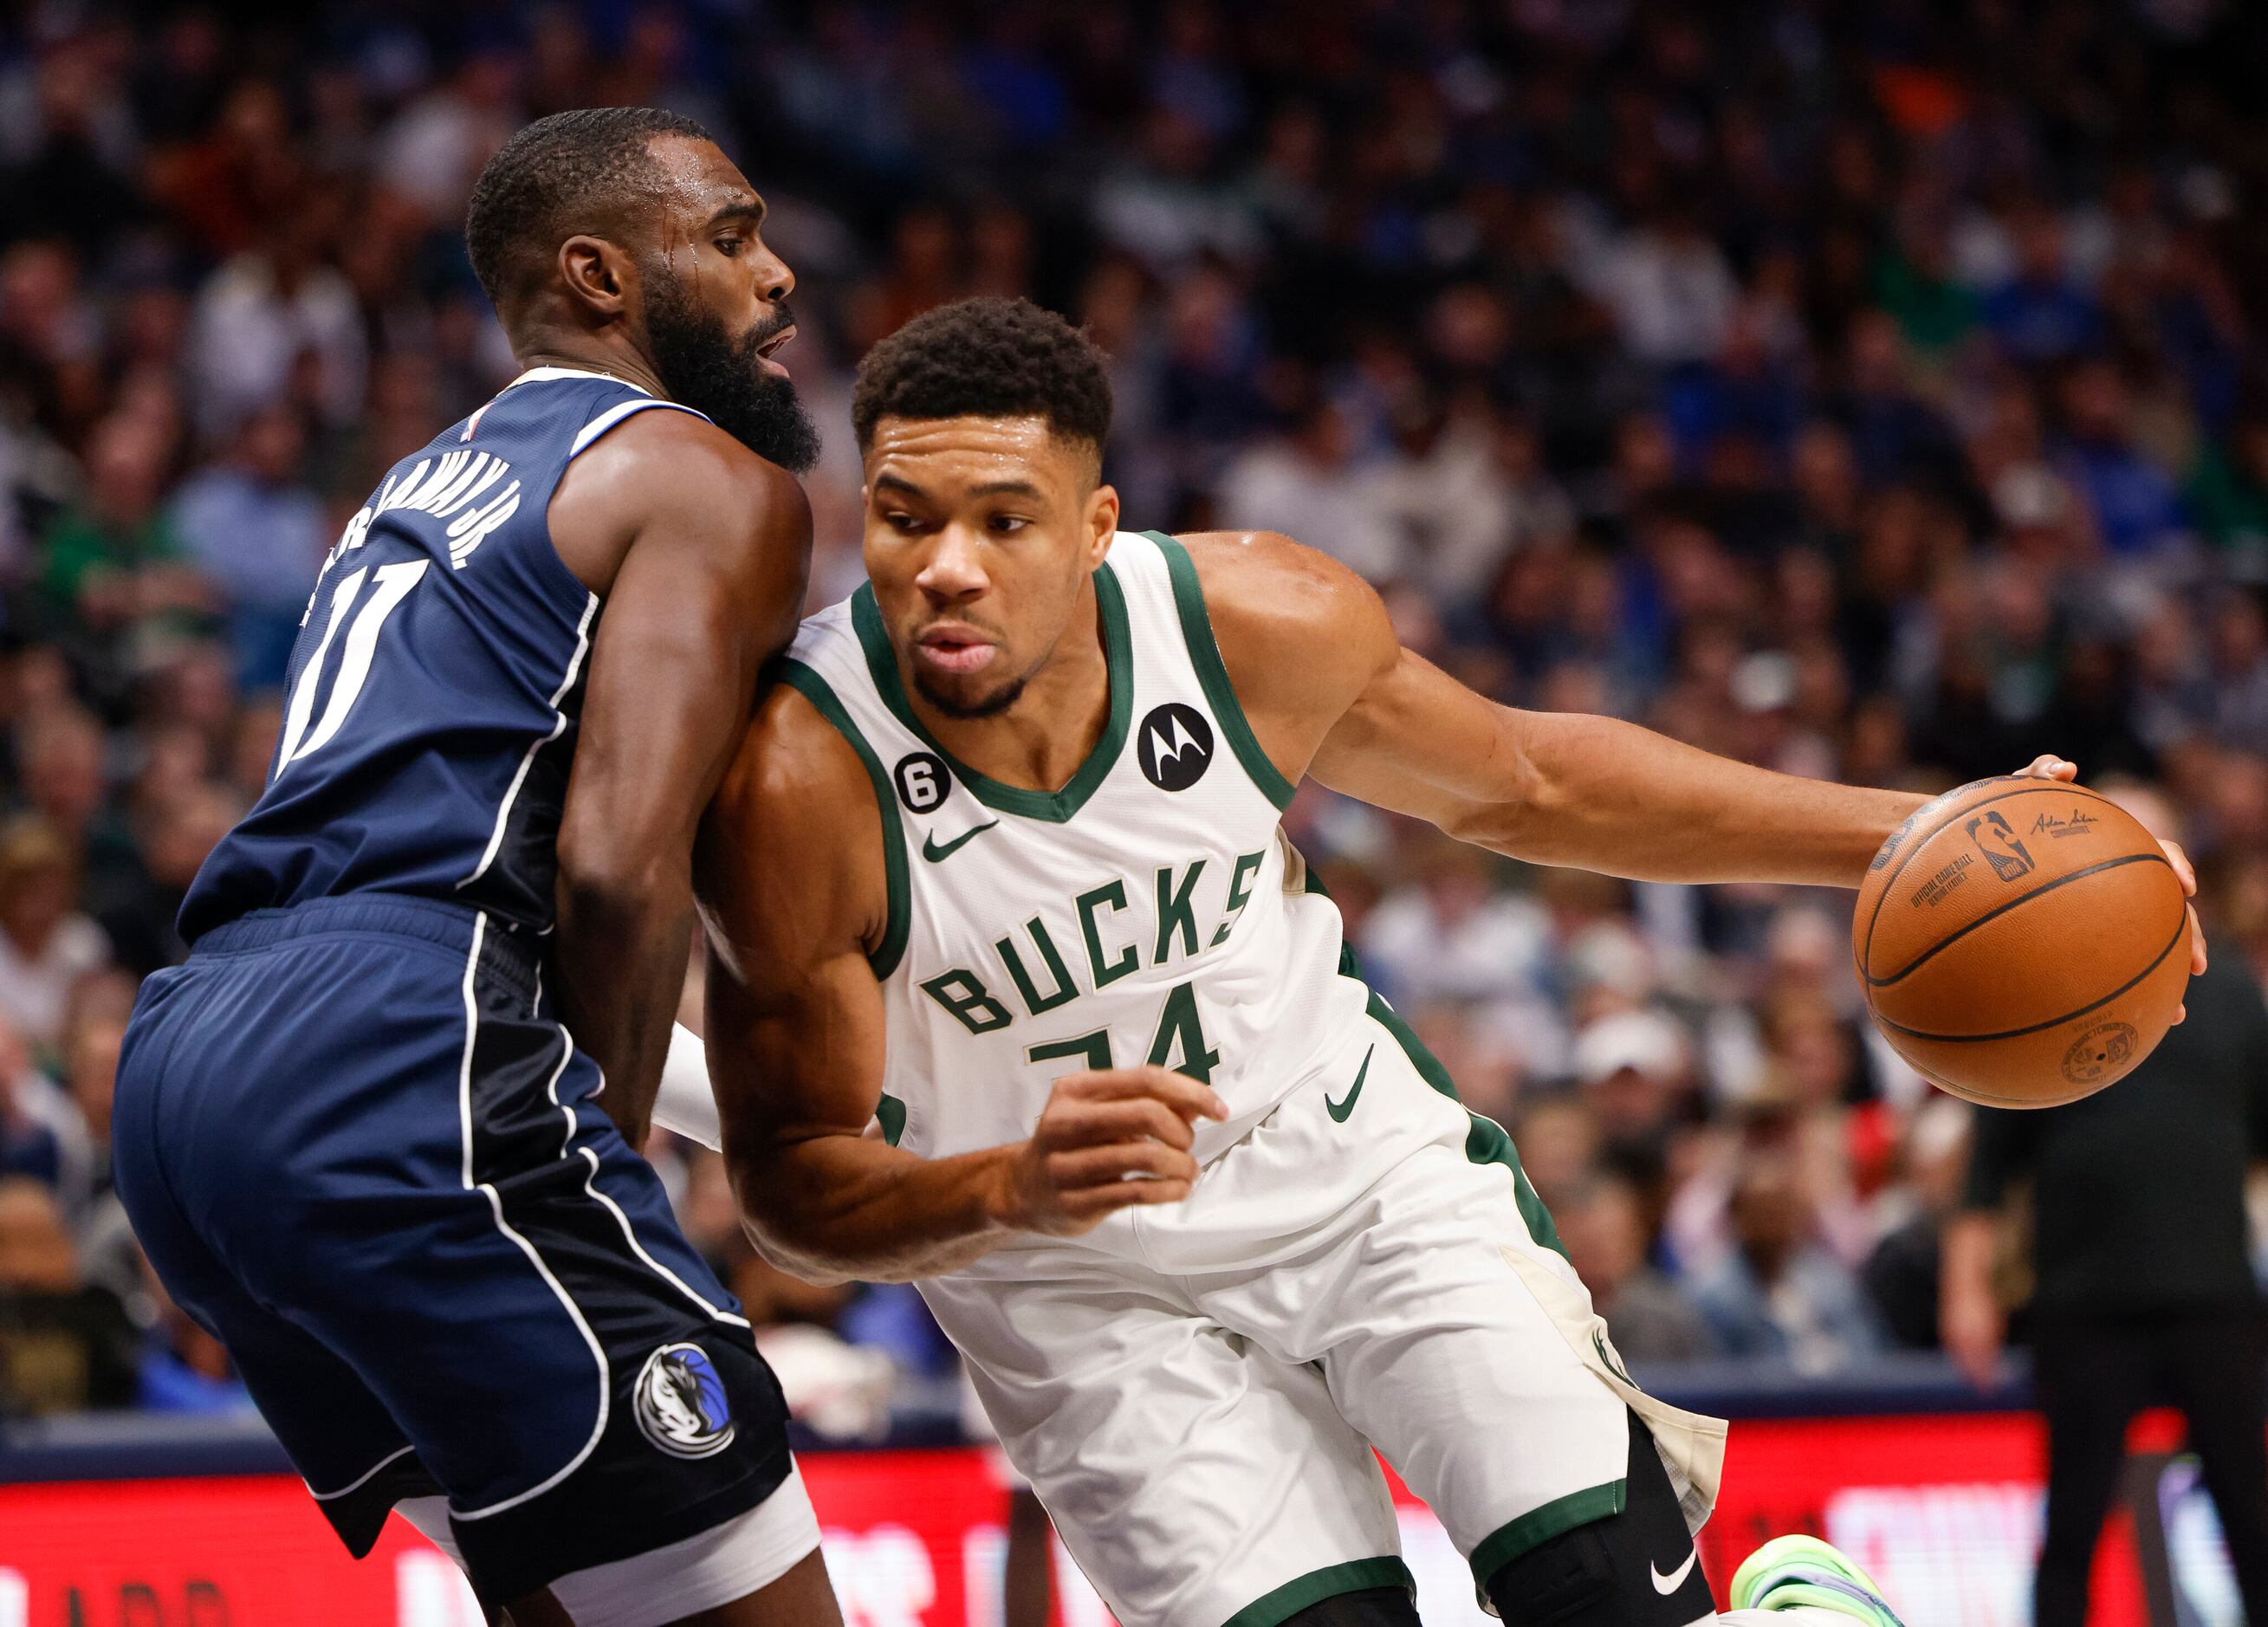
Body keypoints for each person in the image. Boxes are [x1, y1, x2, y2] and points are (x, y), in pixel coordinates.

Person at [675, 298, 2191, 1626]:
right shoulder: (798, 783)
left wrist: (1905, 827)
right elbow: (798, 1185)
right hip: (1069, 1281)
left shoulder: (1253, 620)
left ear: (1095, 525)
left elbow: (1530, 782)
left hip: (1352, 1172)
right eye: (900, 514)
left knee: (1600, 1596)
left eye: (1001, 521)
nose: (943, 566)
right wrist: (1008, 1181)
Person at [110, 108, 839, 1626]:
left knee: (576, 1594)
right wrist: (611, 1158)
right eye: (728, 235)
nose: (777, 277)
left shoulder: (417, 483)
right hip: (401, 1049)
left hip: (194, 1067)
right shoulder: (706, 476)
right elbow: (616, 872)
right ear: (599, 273)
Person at [1941, 783, 2268, 1627]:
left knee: (2253, 1521)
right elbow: (1985, 1170)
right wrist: (1966, 1288)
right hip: (2083, 1306)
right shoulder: (2037, 993)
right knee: (2071, 1528)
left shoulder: (2231, 994)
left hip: (2214, 1301)